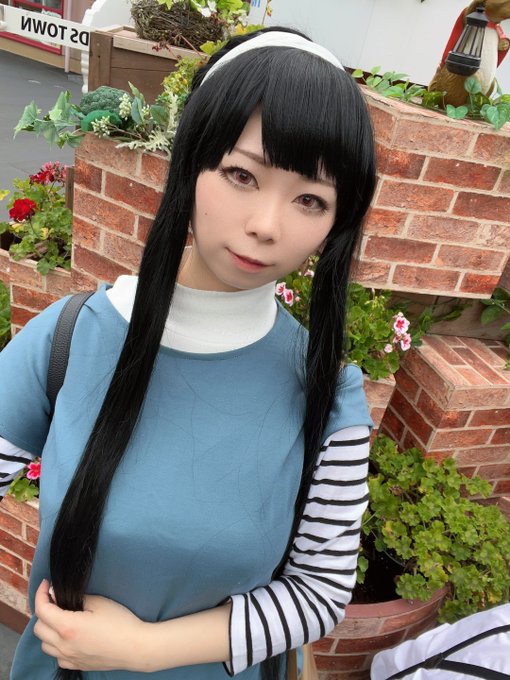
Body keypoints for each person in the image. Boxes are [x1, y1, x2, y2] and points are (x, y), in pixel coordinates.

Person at [0, 27, 376, 680]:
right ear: (191, 161)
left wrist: (144, 650)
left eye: (309, 199)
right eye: (241, 174)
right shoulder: (72, 338)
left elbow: (319, 592)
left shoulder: (328, 395)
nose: (266, 225)